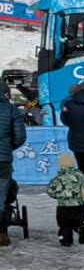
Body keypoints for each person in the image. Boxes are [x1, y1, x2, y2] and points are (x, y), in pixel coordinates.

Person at [0, 84, 26, 247]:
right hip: (3, 159)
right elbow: (20, 136)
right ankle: (2, 233)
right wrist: (9, 148)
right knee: (1, 195)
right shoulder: (11, 110)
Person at [46, 150, 84, 247]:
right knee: (80, 220)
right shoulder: (80, 175)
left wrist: (58, 196)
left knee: (65, 225)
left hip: (63, 207)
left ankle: (65, 239)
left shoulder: (58, 178)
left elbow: (50, 191)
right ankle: (81, 226)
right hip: (79, 205)